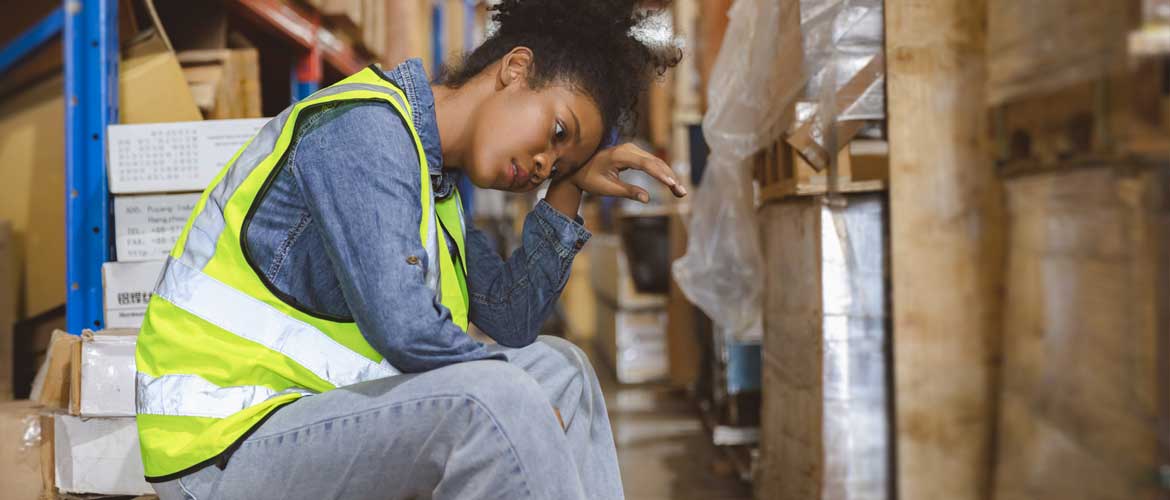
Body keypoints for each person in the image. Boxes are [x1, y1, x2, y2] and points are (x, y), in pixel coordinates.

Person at [134, 1, 682, 499]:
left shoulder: (432, 183)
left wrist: (571, 188)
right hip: (225, 444)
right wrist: (525, 408)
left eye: (560, 163)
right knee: (503, 399)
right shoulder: (365, 131)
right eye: (557, 132)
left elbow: (513, 321)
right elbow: (405, 328)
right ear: (515, 69)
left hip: (307, 419)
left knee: (560, 367)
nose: (544, 164)